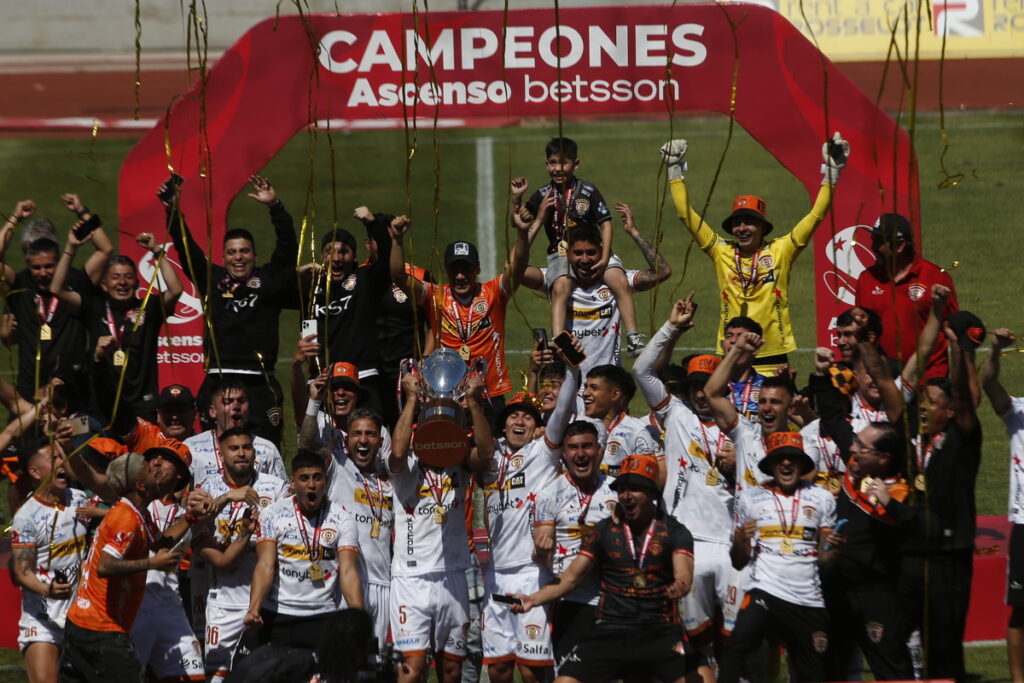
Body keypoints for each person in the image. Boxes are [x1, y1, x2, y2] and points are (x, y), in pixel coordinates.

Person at [661, 133, 850, 374]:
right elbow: (685, 215)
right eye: (737, 223)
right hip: (730, 350)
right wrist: (674, 171)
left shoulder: (782, 250)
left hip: (772, 350)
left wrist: (832, 175)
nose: (742, 228)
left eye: (749, 222)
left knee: (774, 407)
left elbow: (815, 216)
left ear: (763, 227)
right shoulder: (722, 251)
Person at [512, 454, 696, 683]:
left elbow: (684, 574)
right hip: (611, 631)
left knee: (703, 679)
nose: (627, 496)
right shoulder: (603, 531)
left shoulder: (675, 531)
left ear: (651, 493)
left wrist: (680, 586)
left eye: (635, 489)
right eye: (622, 489)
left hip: (659, 630)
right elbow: (570, 578)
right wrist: (532, 599)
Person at [635, 297, 744, 677]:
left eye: (707, 386)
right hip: (687, 544)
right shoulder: (676, 416)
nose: (700, 393)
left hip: (733, 547)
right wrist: (673, 328)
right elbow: (643, 371)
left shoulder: (742, 428)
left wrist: (738, 467)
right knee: (698, 644)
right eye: (694, 385)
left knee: (739, 639)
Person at [163, 174, 299, 446]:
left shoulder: (268, 281)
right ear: (223, 258)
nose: (239, 257)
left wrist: (275, 207)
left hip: (260, 384)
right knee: (216, 451)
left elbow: (287, 251)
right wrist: (172, 210)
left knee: (265, 451)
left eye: (245, 251)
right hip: (219, 380)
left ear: (255, 256)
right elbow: (185, 248)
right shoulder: (212, 280)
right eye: (232, 253)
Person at [58, 450, 208, 682]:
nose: (156, 470)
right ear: (140, 485)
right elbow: (105, 566)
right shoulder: (125, 518)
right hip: (100, 630)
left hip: (85, 624)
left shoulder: (138, 513)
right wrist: (152, 563)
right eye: (150, 470)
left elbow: (160, 543)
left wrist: (189, 518)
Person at [478, 349, 578, 683]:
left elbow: (562, 410)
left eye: (527, 418)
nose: (519, 422)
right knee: (499, 666)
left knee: (532, 668)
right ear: (503, 423)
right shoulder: (491, 457)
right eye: (513, 416)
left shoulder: (544, 452)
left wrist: (573, 372)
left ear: (538, 426)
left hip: (533, 575)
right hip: (496, 575)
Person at [388, 201, 539, 421]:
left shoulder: (494, 293)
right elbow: (399, 277)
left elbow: (518, 268)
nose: (460, 276)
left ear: (478, 269)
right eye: (454, 270)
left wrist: (523, 234)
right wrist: (397, 240)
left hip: (490, 392)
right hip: (447, 394)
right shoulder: (434, 296)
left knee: (489, 454)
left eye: (466, 269)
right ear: (446, 271)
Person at [387, 371, 493, 683]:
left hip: (454, 576)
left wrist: (473, 404)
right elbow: (395, 452)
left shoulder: (459, 462)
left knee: (451, 670)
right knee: (412, 669)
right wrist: (410, 401)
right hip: (410, 578)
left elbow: (485, 454)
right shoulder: (405, 466)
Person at [900, 313, 983, 683]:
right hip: (913, 554)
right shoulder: (915, 441)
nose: (923, 406)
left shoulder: (963, 440)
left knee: (945, 647)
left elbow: (964, 397)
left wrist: (958, 350)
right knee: (906, 642)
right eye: (923, 400)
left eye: (932, 402)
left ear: (949, 412)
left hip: (949, 556)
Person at [720, 432, 839, 683]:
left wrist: (832, 549)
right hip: (764, 591)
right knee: (735, 648)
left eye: (792, 458)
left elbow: (826, 563)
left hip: (808, 599)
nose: (786, 463)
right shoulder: (751, 498)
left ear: (802, 464)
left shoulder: (823, 498)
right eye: (780, 459)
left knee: (814, 673)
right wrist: (741, 540)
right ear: (772, 465)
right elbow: (738, 561)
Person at [516, 137, 646, 355]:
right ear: (546, 164)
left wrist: (605, 257)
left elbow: (605, 224)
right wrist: (517, 200)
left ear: (576, 164)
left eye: (564, 163)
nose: (558, 169)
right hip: (561, 254)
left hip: (594, 252)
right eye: (553, 163)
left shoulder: (588, 191)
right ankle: (560, 340)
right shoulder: (542, 194)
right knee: (560, 288)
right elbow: (519, 222)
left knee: (619, 280)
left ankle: (633, 337)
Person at [50, 229, 181, 434]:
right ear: (104, 284)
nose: (122, 282)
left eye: (128, 277)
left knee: (142, 463)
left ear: (137, 283)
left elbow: (175, 290)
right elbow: (56, 289)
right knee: (92, 453)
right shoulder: (93, 308)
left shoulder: (149, 307)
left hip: (142, 406)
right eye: (116, 277)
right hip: (100, 408)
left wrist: (156, 250)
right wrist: (71, 247)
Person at [520, 214, 672, 389]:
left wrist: (634, 232)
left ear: (602, 251)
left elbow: (663, 272)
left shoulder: (618, 282)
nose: (585, 260)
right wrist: (535, 224)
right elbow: (513, 270)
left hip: (607, 388)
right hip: (568, 387)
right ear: (567, 254)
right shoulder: (555, 281)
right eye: (578, 253)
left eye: (591, 253)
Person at [300, 387, 395, 649]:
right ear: (347, 439)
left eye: (370, 434)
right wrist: (314, 402)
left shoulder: (389, 481)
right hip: (344, 583)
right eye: (356, 434)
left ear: (380, 440)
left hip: (385, 586)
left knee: (377, 668)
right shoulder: (337, 465)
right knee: (344, 665)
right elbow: (307, 443)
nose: (363, 440)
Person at [194, 427, 288, 683]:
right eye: (234, 449)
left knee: (265, 675)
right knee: (217, 677)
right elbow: (196, 525)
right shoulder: (207, 489)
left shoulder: (276, 487)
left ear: (254, 453)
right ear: (221, 454)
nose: (241, 454)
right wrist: (227, 498)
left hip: (267, 600)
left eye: (246, 448)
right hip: (223, 601)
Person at [243, 450, 363, 649]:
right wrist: (254, 609)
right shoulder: (273, 514)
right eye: (304, 478)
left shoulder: (343, 518)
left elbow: (349, 571)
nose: (312, 485)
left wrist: (358, 615)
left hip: (323, 616)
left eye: (317, 477)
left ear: (326, 479)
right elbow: (265, 564)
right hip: (278, 615)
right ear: (293, 482)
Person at [0, 195, 113, 403]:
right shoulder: (19, 285)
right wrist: (15, 217)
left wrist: (82, 211)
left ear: (59, 261)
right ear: (27, 263)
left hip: (73, 392)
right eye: (36, 267)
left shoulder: (77, 282)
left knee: (80, 436)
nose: (43, 273)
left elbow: (105, 249)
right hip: (28, 395)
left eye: (49, 266)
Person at [532, 420, 618, 668]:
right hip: (571, 602)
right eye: (572, 448)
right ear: (563, 453)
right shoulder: (548, 495)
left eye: (587, 446)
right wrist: (541, 551)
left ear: (599, 450)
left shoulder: (617, 491)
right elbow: (543, 561)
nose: (580, 454)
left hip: (613, 600)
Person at [301, 207, 395, 418]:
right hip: (322, 380)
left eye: (343, 251)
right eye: (329, 251)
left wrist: (372, 223)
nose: (336, 258)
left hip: (363, 378)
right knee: (317, 445)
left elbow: (386, 256)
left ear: (354, 258)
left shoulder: (365, 280)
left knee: (369, 443)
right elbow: (272, 288)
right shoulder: (308, 287)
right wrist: (297, 274)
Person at [10, 439, 90, 683]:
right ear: (34, 472)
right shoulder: (26, 517)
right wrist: (49, 589)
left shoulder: (79, 499)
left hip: (81, 616)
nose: (61, 461)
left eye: (61, 456)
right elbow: (23, 572)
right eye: (53, 458)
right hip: (42, 618)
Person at [128, 440, 207, 683]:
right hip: (134, 608)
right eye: (153, 457)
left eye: (166, 459)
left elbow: (162, 543)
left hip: (171, 607)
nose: (156, 462)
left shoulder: (186, 513)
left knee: (194, 676)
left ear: (181, 473)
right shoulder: (130, 502)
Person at [855, 213, 959, 379]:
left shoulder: (936, 278)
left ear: (899, 246)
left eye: (879, 241)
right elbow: (861, 334)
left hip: (928, 384)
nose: (873, 246)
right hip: (884, 382)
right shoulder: (866, 279)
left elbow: (955, 333)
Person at [981, 327, 1024, 683]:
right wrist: (994, 349)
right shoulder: (1018, 413)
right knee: (1021, 611)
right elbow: (989, 385)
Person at [185, 377, 287, 483]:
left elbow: (284, 494)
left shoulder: (267, 449)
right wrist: (188, 497)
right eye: (228, 402)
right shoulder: (192, 447)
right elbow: (175, 493)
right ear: (213, 411)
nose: (236, 406)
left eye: (241, 401)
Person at [578, 363, 660, 477]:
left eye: (594, 388)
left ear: (615, 395)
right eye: (586, 387)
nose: (585, 393)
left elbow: (650, 479)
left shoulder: (637, 432)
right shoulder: (575, 427)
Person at [722, 317, 767, 423]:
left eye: (741, 337)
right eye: (729, 336)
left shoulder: (767, 387)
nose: (733, 341)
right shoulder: (710, 385)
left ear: (756, 349)